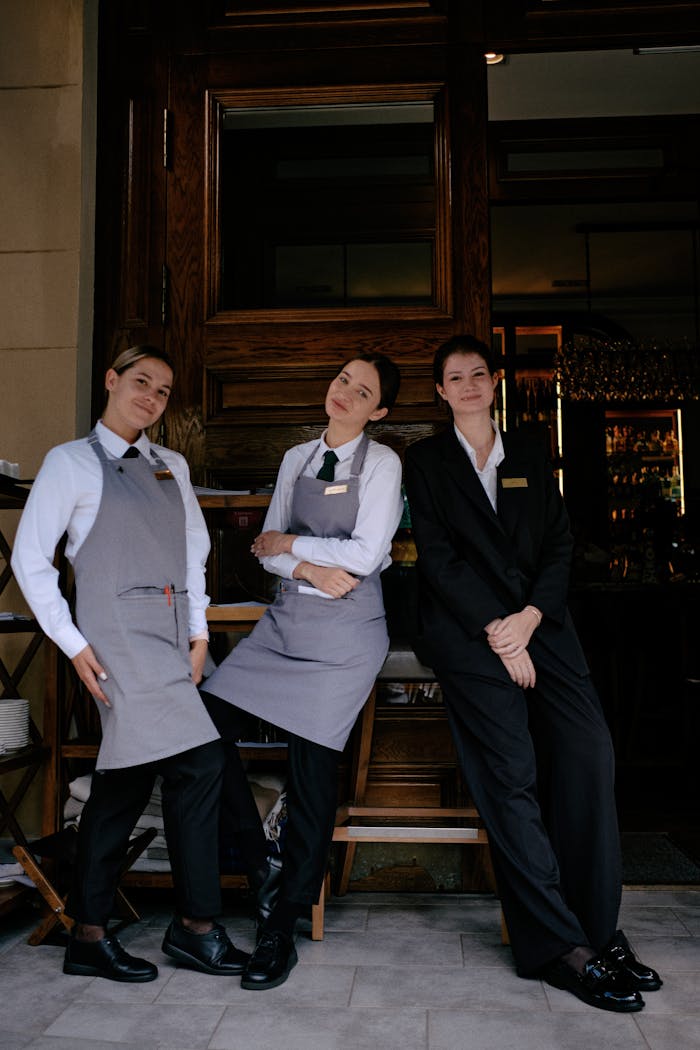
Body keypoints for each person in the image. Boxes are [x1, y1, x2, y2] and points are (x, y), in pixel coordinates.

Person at [403, 334, 661, 1013]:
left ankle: (598, 931)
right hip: (466, 630)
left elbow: (558, 542)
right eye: (453, 377)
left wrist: (529, 618)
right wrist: (496, 627)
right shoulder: (425, 462)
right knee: (511, 774)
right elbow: (437, 557)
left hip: (539, 622)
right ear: (439, 390)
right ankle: (557, 947)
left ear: (494, 383)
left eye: (477, 374)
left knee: (588, 754)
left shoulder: (530, 449)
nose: (466, 385)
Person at [12, 345, 251, 982]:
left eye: (164, 390)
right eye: (141, 381)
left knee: (125, 782)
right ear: (112, 381)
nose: (151, 396)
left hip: (171, 641)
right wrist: (73, 643)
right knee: (200, 763)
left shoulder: (168, 464)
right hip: (115, 641)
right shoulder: (69, 463)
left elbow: (193, 553)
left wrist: (200, 634)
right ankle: (195, 928)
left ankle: (89, 934)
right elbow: (30, 561)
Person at [201, 353, 403, 990]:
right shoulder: (295, 458)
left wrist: (292, 547)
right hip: (286, 624)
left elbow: (368, 555)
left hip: (347, 637)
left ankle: (281, 925)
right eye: (343, 380)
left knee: (312, 775)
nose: (345, 393)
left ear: (380, 411)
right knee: (201, 726)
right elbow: (264, 547)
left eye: (362, 390)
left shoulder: (385, 464)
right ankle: (263, 864)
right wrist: (308, 566)